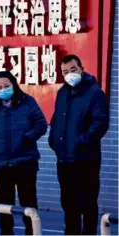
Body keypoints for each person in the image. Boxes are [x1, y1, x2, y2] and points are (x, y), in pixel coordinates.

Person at [48, 55, 109, 235]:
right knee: (68, 203)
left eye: (73, 70)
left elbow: (100, 123)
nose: (69, 74)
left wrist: (82, 142)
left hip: (85, 159)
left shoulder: (94, 92)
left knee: (88, 203)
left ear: (81, 68)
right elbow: (57, 118)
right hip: (64, 159)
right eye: (65, 72)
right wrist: (54, 140)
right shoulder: (62, 92)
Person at [0, 71, 47, 235]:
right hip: (1, 165)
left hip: (25, 163)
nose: (4, 89)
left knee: (28, 203)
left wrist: (27, 138)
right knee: (4, 206)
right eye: (0, 87)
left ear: (14, 85)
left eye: (7, 86)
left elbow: (41, 124)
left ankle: (32, 233)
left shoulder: (27, 102)